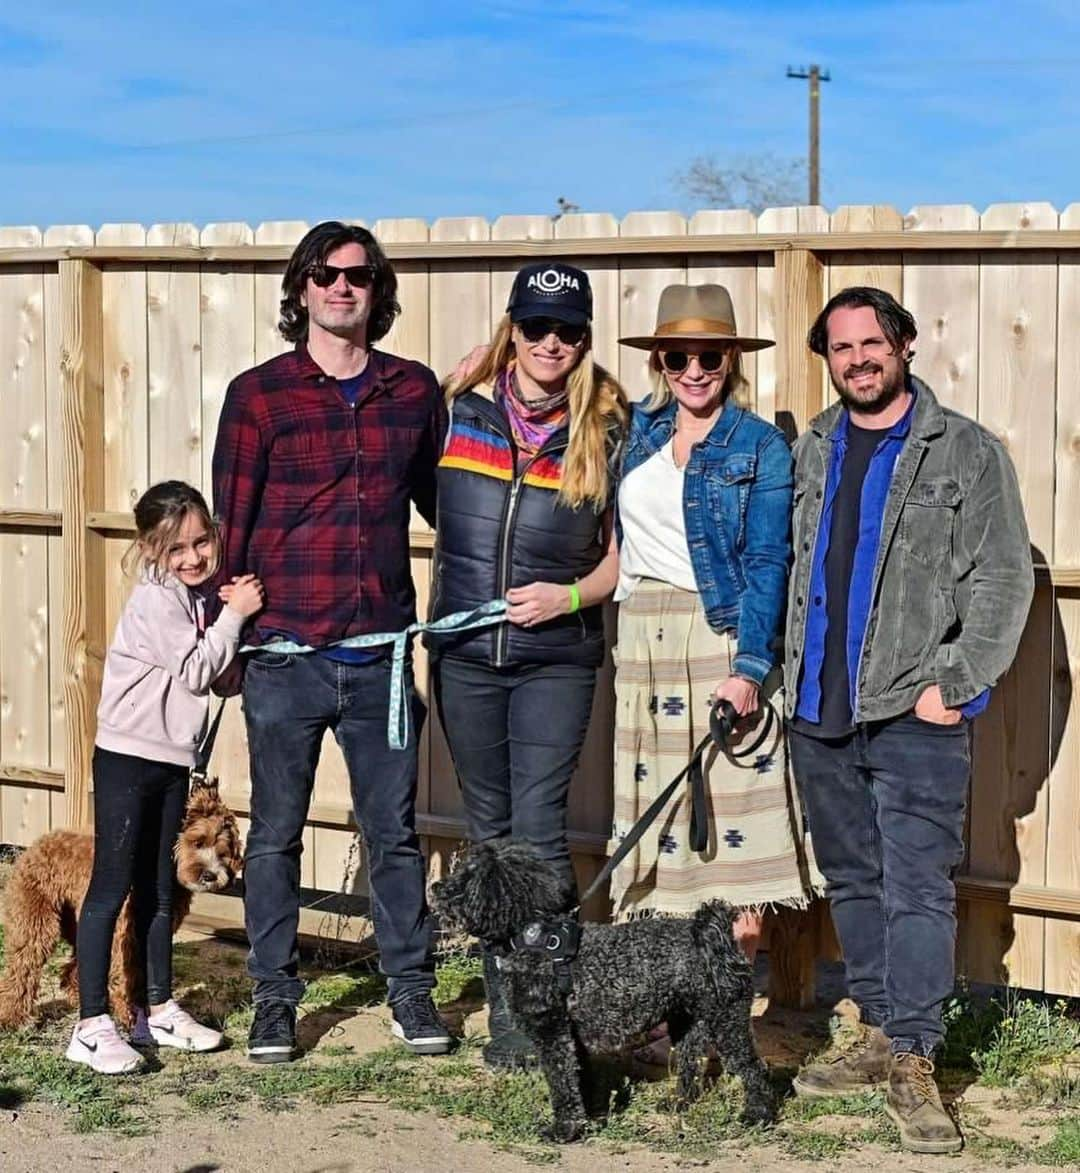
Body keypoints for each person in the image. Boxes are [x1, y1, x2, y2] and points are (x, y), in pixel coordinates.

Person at [786, 287, 1034, 1154]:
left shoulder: (962, 451)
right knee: (852, 877)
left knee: (919, 883)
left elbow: (1005, 580)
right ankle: (882, 1032)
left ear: (904, 346)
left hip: (912, 709)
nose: (857, 358)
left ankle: (917, 1055)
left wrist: (957, 680)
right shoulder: (812, 446)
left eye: (871, 342)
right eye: (841, 347)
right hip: (818, 703)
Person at [212, 221, 450, 1063]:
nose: (342, 287)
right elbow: (230, 524)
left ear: (377, 291)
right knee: (274, 832)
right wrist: (228, 640)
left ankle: (412, 994)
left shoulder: (414, 393)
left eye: (357, 276)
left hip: (380, 657)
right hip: (284, 656)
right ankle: (274, 999)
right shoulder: (259, 396)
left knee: (393, 833)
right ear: (301, 288)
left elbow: (445, 506)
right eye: (325, 274)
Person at [429, 261, 628, 1069]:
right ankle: (509, 1015)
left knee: (541, 835)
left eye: (568, 330)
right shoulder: (454, 414)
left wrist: (568, 597)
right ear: (512, 327)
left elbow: (620, 559)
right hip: (466, 657)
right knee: (488, 833)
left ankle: (552, 1012)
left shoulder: (611, 429)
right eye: (536, 326)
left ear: (584, 340)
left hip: (557, 659)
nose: (551, 342)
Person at [611, 284, 816, 1065]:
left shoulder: (759, 446)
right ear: (659, 360)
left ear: (732, 360)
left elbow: (770, 560)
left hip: (719, 638)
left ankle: (724, 1023)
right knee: (663, 845)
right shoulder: (632, 430)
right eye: (678, 355)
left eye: (711, 354)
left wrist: (749, 667)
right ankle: (672, 1022)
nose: (694, 369)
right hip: (641, 643)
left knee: (735, 849)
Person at [68, 481, 264, 1074]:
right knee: (110, 889)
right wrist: (237, 614)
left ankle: (155, 1010)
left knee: (158, 890)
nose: (193, 557)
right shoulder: (157, 601)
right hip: (127, 758)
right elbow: (198, 669)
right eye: (176, 548)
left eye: (202, 542)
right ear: (151, 549)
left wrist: (223, 613)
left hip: (169, 759)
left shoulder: (190, 596)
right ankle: (90, 1024)